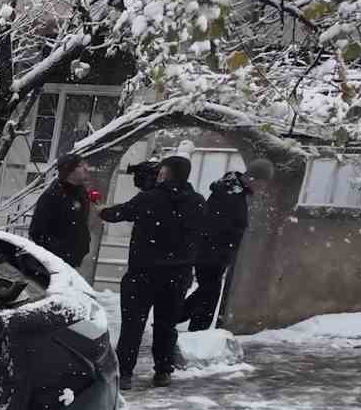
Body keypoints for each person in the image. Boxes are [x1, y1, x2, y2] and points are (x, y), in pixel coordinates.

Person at [98, 155, 204, 390]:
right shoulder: (197, 201)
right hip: (177, 276)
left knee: (133, 325)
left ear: (165, 172)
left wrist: (100, 210)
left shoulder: (150, 198)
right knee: (166, 325)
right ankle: (163, 371)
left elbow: (118, 213)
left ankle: (124, 373)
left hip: (143, 274)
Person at [185, 158, 272, 330]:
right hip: (211, 253)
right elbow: (218, 225)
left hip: (215, 252)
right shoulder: (229, 193)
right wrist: (227, 246)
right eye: (263, 184)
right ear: (253, 178)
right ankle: (187, 324)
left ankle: (188, 324)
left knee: (207, 292)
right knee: (209, 293)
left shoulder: (234, 191)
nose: (263, 189)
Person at [28, 153, 95, 269]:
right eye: (80, 165)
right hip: (53, 264)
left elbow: (80, 224)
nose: (85, 168)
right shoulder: (52, 196)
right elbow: (36, 232)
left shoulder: (80, 192)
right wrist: (60, 251)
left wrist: (82, 244)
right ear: (69, 171)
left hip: (72, 261)